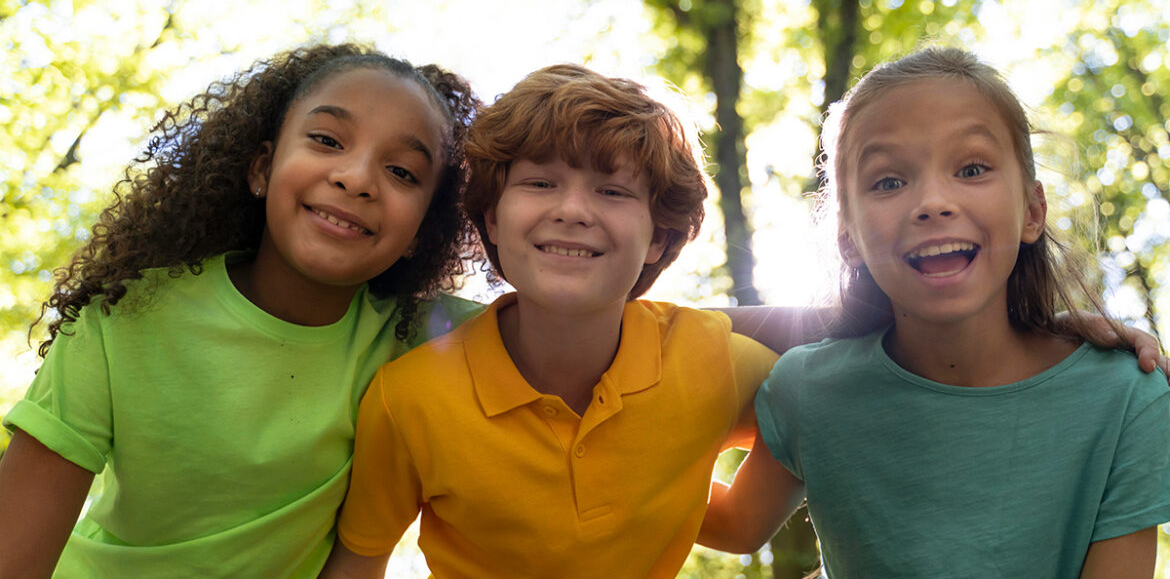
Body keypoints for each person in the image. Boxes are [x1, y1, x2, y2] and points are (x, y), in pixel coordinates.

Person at [0, 43, 484, 579]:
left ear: (424, 230)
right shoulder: (124, 317)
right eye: (326, 140)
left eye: (403, 172)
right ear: (261, 168)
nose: (357, 178)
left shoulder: (423, 339)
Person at [698, 47, 1170, 579]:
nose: (932, 201)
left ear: (1032, 211)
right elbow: (735, 526)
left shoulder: (1126, 396)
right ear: (847, 236)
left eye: (971, 168)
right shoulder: (809, 390)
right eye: (889, 182)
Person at [317, 64, 781, 579]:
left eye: (613, 191)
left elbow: (749, 515)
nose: (573, 210)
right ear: (492, 218)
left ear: (659, 236)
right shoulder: (408, 399)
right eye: (540, 182)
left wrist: (673, 492)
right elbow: (356, 565)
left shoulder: (715, 362)